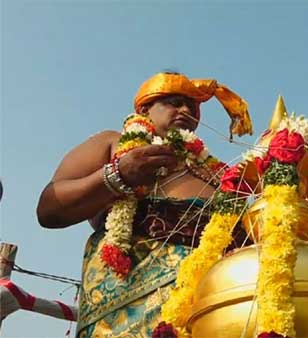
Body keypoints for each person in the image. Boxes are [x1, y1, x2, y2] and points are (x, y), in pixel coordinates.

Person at [36, 72, 252, 337]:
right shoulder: (114, 143)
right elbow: (49, 208)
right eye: (174, 102)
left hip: (210, 309)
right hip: (128, 312)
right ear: (145, 108)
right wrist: (118, 175)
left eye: (193, 106)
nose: (186, 110)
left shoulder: (215, 171)